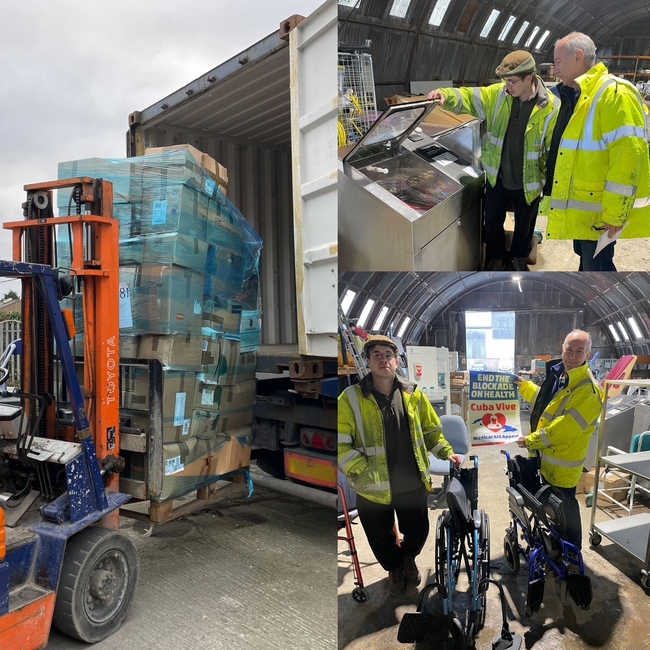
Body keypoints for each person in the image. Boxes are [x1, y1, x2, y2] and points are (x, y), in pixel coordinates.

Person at [338, 335, 463, 595]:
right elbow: (339, 444)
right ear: (369, 361)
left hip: (410, 480)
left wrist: (447, 453)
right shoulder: (349, 399)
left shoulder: (413, 393)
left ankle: (408, 558)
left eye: (388, 355)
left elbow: (431, 431)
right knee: (379, 536)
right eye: (377, 355)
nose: (383, 359)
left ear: (397, 362)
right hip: (372, 485)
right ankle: (393, 568)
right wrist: (360, 469)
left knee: (417, 531)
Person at [428, 50, 558, 272]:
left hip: (529, 180)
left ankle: (518, 257)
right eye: (505, 81)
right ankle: (496, 257)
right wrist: (445, 95)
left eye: (513, 81)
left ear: (530, 78)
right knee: (492, 221)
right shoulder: (497, 95)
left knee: (525, 225)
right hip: (498, 176)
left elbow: (552, 148)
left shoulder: (550, 107)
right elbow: (469, 96)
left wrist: (547, 182)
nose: (508, 86)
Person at [543, 32, 650, 271]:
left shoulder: (614, 94)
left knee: (599, 272)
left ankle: (608, 309)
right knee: (588, 266)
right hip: (583, 206)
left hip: (599, 213)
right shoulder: (577, 95)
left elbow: (628, 158)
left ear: (578, 56)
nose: (555, 69)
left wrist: (615, 213)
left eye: (558, 61)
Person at [514, 330, 603, 549]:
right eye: (569, 350)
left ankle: (572, 557)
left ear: (588, 354)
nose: (573, 356)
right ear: (562, 349)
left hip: (564, 466)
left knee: (566, 511)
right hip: (548, 461)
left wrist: (532, 441)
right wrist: (524, 386)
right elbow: (547, 403)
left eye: (579, 351)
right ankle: (555, 547)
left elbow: (563, 429)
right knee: (552, 508)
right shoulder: (562, 376)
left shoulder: (588, 391)